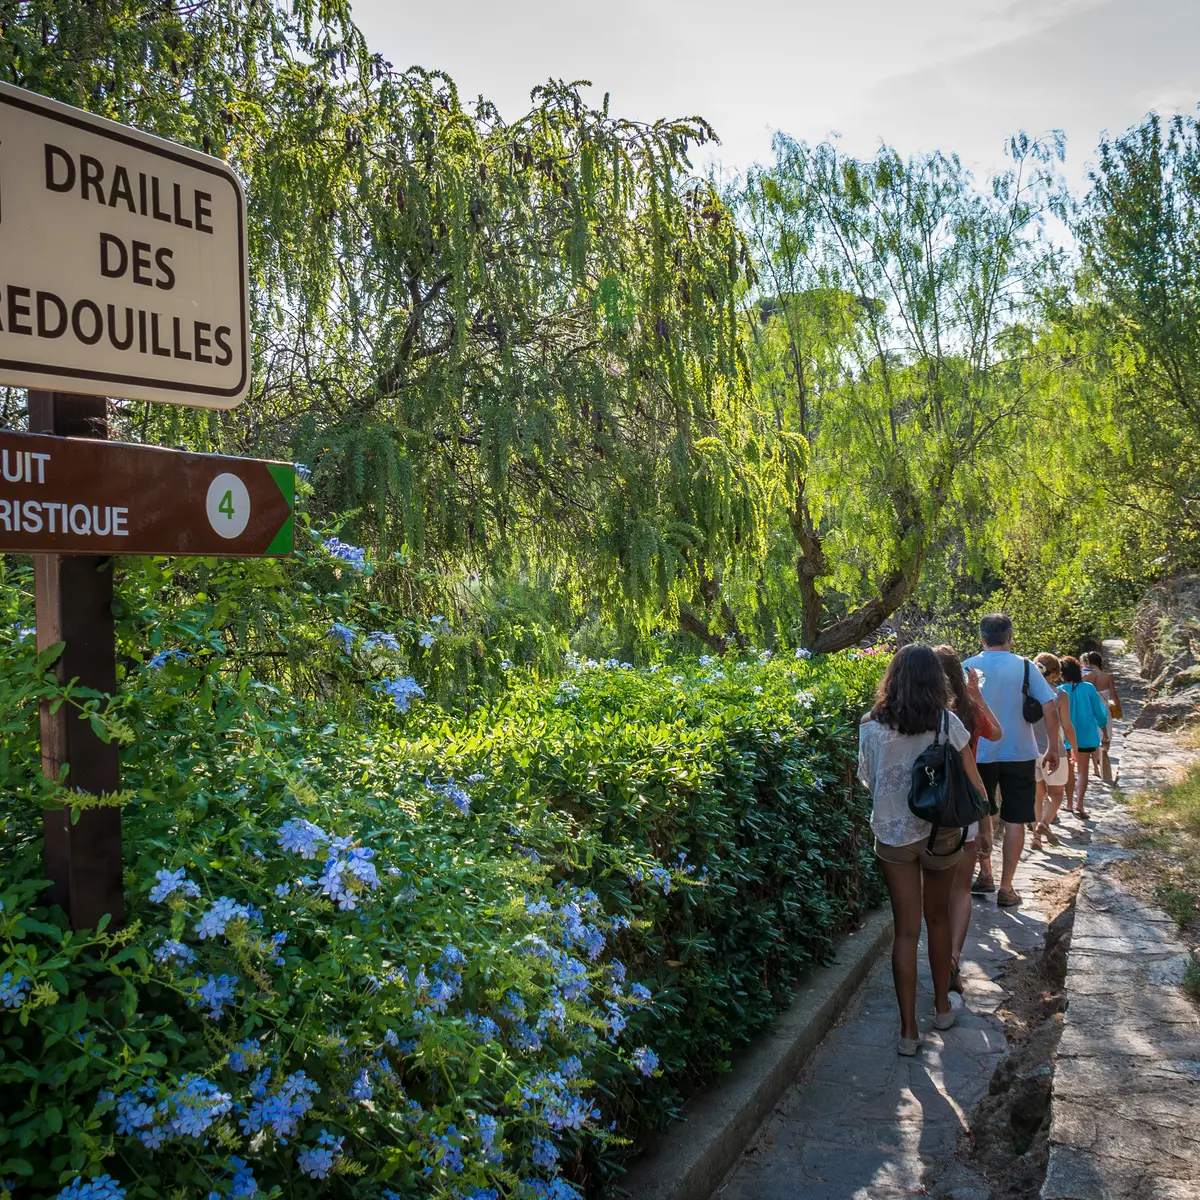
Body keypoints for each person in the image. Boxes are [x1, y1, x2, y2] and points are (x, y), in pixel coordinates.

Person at [858, 643, 991, 1056]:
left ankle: (908, 1031)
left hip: (894, 836)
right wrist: (984, 825)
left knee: (905, 929)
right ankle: (941, 1007)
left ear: (892, 679)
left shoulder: (870, 725)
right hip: (942, 834)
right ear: (936, 680)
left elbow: (868, 780)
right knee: (937, 920)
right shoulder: (947, 723)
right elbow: (972, 781)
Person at [963, 614, 1062, 909]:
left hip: (979, 752)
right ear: (1010, 637)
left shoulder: (967, 666)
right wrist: (1054, 748)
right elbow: (1049, 707)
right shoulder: (1025, 666)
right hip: (1020, 751)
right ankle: (1007, 888)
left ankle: (986, 874)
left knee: (982, 812)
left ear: (982, 638)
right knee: (1016, 818)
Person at [934, 644, 1002, 995]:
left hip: (930, 810)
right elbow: (996, 734)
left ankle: (941, 955)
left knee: (935, 894)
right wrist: (976, 694)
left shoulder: (924, 712)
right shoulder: (969, 710)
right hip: (967, 805)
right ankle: (954, 957)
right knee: (961, 889)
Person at [1030, 653, 1075, 849]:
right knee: (1056, 793)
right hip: (1054, 749)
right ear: (1056, 674)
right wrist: (1074, 747)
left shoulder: (1027, 694)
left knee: (1037, 795)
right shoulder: (1060, 695)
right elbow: (1067, 725)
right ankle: (1044, 824)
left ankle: (1036, 839)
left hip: (1030, 751)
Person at [1060, 656, 1110, 819]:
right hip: (1086, 735)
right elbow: (1099, 712)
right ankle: (1079, 804)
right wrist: (1104, 730)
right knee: (1082, 772)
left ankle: (1068, 804)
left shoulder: (1059, 691)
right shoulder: (1088, 688)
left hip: (1066, 737)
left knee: (1068, 771)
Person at [1083, 651, 1120, 779]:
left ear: (1088, 662)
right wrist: (1119, 709)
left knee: (1093, 739)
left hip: (1090, 711)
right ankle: (1103, 760)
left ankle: (1095, 768)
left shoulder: (1086, 677)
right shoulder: (1108, 676)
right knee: (1106, 738)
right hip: (1104, 710)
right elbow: (1114, 695)